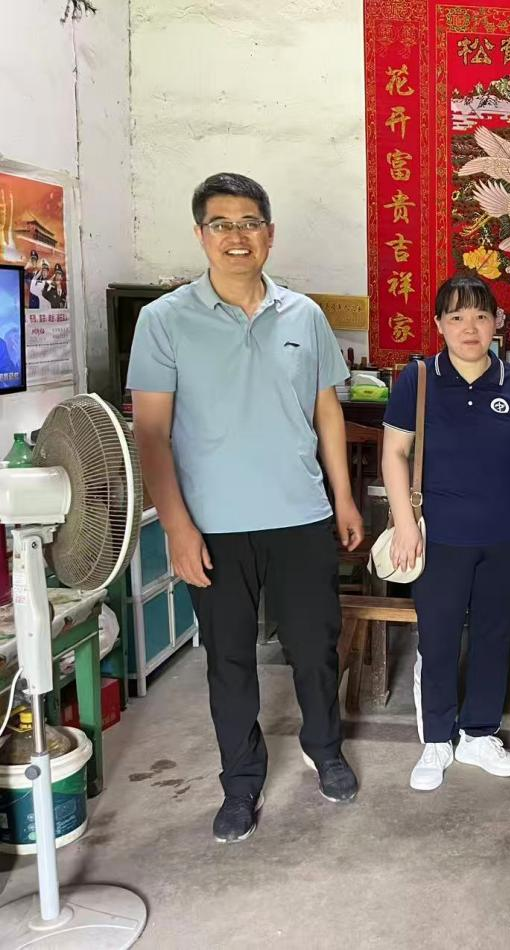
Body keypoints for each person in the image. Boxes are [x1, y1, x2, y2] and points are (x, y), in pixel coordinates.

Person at [129, 172, 363, 844]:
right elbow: (151, 433)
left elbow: (326, 410)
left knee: (314, 649)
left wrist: (343, 498)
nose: (238, 236)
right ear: (201, 234)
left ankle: (325, 749)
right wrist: (177, 528)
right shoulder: (164, 320)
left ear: (270, 233)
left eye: (250, 222)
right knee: (228, 660)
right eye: (222, 224)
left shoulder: (304, 315)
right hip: (214, 527)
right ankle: (240, 782)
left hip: (300, 516)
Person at [381, 274, 510, 791]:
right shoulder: (419, 380)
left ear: (497, 323)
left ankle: (479, 734)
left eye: (480, 316)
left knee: (494, 635)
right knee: (439, 637)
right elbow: (394, 454)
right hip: (439, 538)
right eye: (456, 317)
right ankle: (436, 739)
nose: (469, 328)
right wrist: (406, 525)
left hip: (503, 537)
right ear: (439, 324)